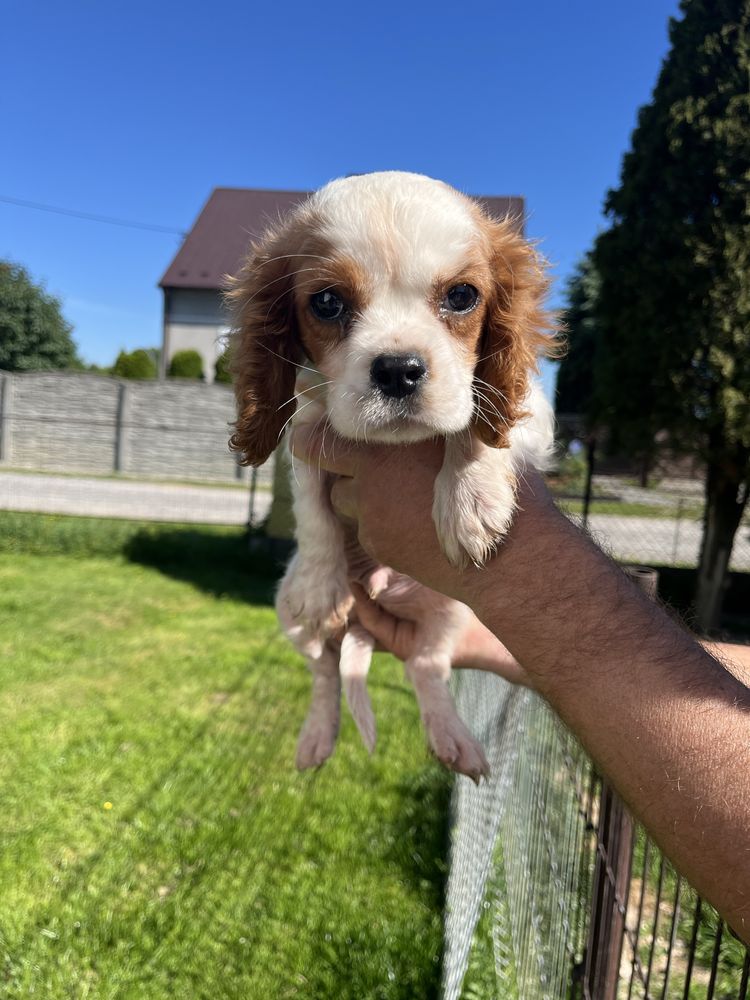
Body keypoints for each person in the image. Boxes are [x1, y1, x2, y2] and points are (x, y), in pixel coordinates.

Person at [291, 426, 750, 945]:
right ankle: (331, 689)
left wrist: (483, 483)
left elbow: (524, 423)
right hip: (354, 565)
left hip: (432, 582)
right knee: (310, 616)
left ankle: (417, 687)